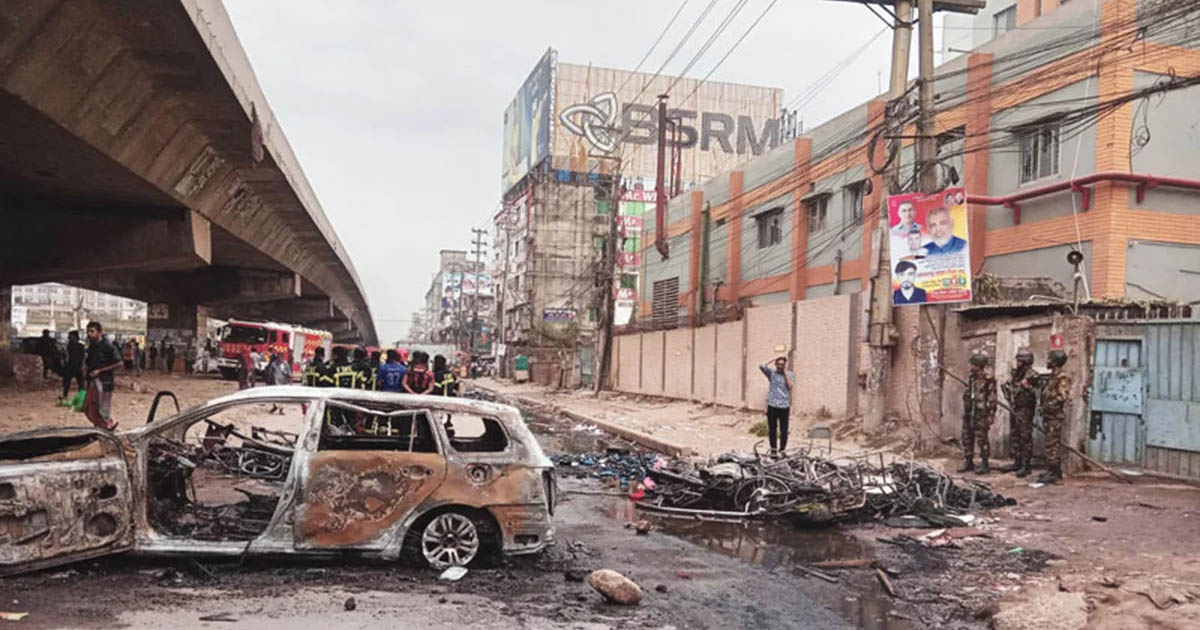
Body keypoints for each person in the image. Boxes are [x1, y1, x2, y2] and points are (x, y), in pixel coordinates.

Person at [1000, 348, 1037, 477]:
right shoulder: (1017, 374)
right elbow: (1011, 387)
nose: (1017, 363)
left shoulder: (1033, 375)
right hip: (1015, 408)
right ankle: (1017, 461)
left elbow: (1037, 393)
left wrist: (1027, 387)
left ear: (1025, 361)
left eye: (1019, 361)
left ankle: (1026, 466)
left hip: (1025, 410)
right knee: (1015, 436)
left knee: (1025, 437)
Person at [959, 353, 997, 474]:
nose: (971, 367)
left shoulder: (988, 379)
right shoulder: (971, 378)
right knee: (966, 437)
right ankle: (968, 461)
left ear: (979, 366)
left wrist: (991, 415)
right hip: (970, 412)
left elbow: (992, 398)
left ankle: (985, 464)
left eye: (973, 365)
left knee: (982, 439)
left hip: (981, 414)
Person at [1039, 350, 1071, 484]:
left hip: (1054, 416)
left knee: (1052, 445)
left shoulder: (1062, 377)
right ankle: (1052, 470)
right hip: (1049, 415)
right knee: (1049, 444)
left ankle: (1054, 473)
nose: (1047, 361)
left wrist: (1048, 406)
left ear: (1055, 362)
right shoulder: (1053, 376)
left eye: (1049, 359)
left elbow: (1062, 396)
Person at [83, 321, 122, 430]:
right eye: (88, 332)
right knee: (89, 406)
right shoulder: (92, 347)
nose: (89, 334)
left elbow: (119, 363)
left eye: (92, 331)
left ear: (99, 332)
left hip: (105, 380)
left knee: (103, 407)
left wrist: (100, 371)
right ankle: (100, 426)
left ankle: (107, 426)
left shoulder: (108, 346)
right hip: (92, 380)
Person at [758, 356, 795, 455]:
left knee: (784, 430)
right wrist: (772, 359)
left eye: (782, 365)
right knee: (772, 429)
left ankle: (782, 450)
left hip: (784, 406)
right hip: (772, 405)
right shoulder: (772, 374)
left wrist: (785, 374)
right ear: (776, 365)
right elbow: (761, 366)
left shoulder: (790, 374)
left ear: (785, 365)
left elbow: (790, 387)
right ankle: (773, 450)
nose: (780, 366)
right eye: (778, 364)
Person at [61, 331, 86, 401]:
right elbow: (66, 357)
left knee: (80, 383)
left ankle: (80, 397)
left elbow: (83, 357)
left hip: (77, 366)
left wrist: (82, 365)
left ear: (75, 337)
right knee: (67, 382)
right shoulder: (69, 346)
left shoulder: (80, 346)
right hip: (70, 366)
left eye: (70, 336)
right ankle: (65, 395)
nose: (68, 337)